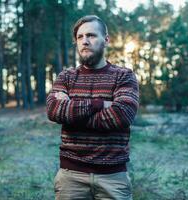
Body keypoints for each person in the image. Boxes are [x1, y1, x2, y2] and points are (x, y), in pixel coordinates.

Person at [46, 15, 139, 200]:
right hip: (70, 177)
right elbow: (54, 110)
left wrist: (72, 113)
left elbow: (121, 115)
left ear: (106, 40)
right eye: (80, 37)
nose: (84, 41)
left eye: (91, 35)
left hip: (113, 178)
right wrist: (99, 104)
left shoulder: (124, 76)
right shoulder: (66, 77)